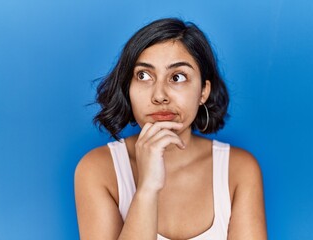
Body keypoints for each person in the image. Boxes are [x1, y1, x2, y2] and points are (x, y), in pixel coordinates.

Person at [74, 18, 267, 240]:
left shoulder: (239, 170)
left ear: (203, 91)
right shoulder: (97, 169)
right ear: (128, 88)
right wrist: (147, 189)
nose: (159, 95)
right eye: (143, 76)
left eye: (177, 77)